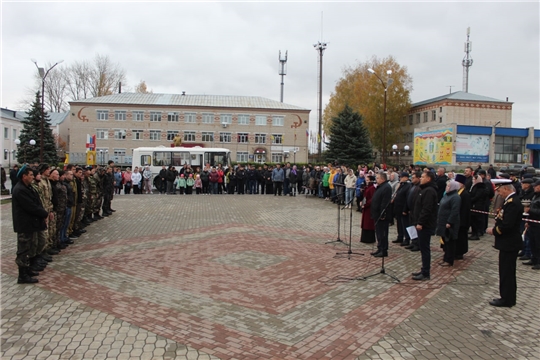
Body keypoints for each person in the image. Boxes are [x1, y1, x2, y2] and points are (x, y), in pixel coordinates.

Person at [486, 183, 523, 307]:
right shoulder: (509, 201)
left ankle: (507, 299)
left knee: (507, 272)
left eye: (500, 191)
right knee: (506, 271)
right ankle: (507, 297)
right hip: (508, 243)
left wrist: (494, 231)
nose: (499, 193)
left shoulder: (512, 203)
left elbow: (507, 225)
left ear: (506, 189)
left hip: (509, 242)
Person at [12, 165, 49, 284]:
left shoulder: (28, 187)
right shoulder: (20, 190)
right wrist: (44, 213)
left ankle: (27, 270)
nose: (33, 177)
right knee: (23, 249)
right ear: (24, 176)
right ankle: (22, 275)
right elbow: (31, 206)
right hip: (24, 224)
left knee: (30, 247)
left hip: (31, 223)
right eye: (31, 175)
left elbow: (36, 202)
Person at [411, 171, 439, 280]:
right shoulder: (424, 189)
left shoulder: (429, 191)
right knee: (423, 248)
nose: (421, 178)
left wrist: (420, 222)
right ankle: (424, 269)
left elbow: (426, 209)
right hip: (422, 223)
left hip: (425, 225)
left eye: (423, 177)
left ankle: (426, 272)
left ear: (428, 179)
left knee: (425, 248)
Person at [436, 180, 462, 266]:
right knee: (445, 242)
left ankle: (449, 260)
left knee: (450, 242)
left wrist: (450, 221)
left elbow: (455, 211)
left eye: (448, 186)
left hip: (449, 224)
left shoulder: (455, 197)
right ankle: (445, 257)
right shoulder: (447, 195)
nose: (446, 188)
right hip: (443, 222)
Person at [370, 172, 393, 257]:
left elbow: (385, 203)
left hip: (382, 216)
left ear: (383, 179)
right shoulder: (381, 187)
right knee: (379, 233)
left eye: (378, 178)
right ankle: (379, 248)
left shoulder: (386, 187)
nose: (376, 179)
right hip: (377, 214)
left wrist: (383, 214)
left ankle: (383, 250)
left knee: (382, 233)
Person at [454, 174, 472, 260]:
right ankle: (456, 251)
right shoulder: (457, 192)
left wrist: (463, 222)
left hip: (462, 220)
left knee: (461, 237)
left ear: (461, 184)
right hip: (456, 219)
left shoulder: (465, 194)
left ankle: (460, 253)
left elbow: (465, 210)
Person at [523, 180, 540, 270]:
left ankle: (538, 261)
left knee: (538, 243)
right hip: (532, 222)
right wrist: (528, 221)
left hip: (538, 224)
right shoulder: (535, 196)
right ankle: (533, 259)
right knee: (532, 242)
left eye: (536, 186)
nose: (534, 188)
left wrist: (530, 210)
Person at [392, 172, 412, 246]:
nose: (400, 178)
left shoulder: (408, 186)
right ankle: (400, 236)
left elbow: (407, 198)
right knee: (399, 224)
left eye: (402, 177)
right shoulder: (401, 185)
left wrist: (405, 209)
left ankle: (407, 239)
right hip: (398, 207)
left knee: (405, 224)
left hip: (403, 208)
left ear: (406, 177)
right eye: (400, 177)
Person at [360, 175, 376, 243]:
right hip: (365, 207)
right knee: (365, 222)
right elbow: (365, 196)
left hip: (369, 208)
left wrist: (366, 204)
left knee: (368, 223)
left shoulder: (372, 188)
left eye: (367, 180)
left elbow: (372, 198)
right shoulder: (367, 187)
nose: (366, 182)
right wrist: (362, 202)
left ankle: (369, 238)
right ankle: (364, 238)